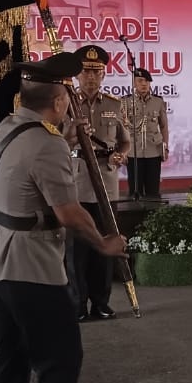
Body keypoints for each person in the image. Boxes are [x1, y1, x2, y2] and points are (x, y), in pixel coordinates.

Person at [0, 52, 127, 383]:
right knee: (59, 366)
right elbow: (69, 213)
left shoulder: (9, 126)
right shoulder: (49, 144)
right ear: (61, 100)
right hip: (31, 271)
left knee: (10, 367)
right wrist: (104, 243)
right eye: (67, 95)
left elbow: (35, 151)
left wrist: (68, 131)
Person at [66, 45, 131, 321]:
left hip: (106, 182)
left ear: (103, 74)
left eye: (96, 71)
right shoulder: (67, 103)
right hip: (78, 180)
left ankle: (102, 302)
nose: (91, 77)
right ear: (77, 74)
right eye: (85, 71)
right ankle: (77, 304)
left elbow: (125, 141)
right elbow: (56, 139)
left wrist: (121, 155)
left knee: (107, 243)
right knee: (77, 248)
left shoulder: (114, 105)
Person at [121, 68, 168, 200]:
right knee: (135, 192)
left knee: (153, 191)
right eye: (140, 81)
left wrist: (165, 147)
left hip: (153, 150)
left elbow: (163, 126)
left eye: (147, 81)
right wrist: (122, 151)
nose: (144, 84)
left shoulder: (158, 102)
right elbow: (121, 128)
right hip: (133, 151)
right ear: (134, 83)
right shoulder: (125, 102)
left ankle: (154, 217)